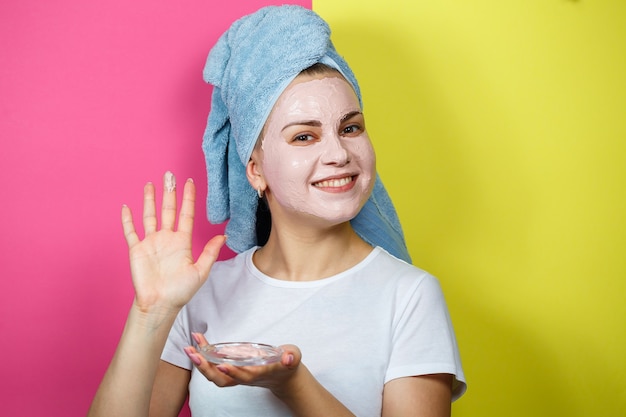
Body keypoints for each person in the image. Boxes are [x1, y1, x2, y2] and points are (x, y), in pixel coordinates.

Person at [88, 5, 466, 417]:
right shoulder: (202, 292)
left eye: (351, 128)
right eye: (304, 136)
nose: (339, 153)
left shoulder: (409, 295)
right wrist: (152, 312)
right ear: (255, 171)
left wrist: (295, 386)